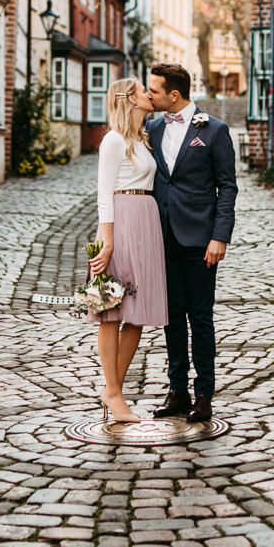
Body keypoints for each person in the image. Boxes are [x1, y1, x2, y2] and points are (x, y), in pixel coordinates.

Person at [145, 63, 237, 424]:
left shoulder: (214, 131)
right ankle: (177, 391)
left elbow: (226, 187)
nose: (149, 94)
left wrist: (220, 236)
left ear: (174, 95)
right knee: (170, 319)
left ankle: (204, 395)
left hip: (200, 240)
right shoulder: (151, 128)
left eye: (154, 90)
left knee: (200, 318)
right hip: (161, 236)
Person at [88, 77, 168, 423]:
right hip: (119, 223)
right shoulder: (113, 140)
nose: (149, 95)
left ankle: (112, 390)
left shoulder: (142, 138)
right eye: (142, 91)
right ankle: (115, 393)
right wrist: (107, 243)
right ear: (130, 100)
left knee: (136, 315)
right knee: (111, 311)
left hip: (145, 221)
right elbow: (104, 194)